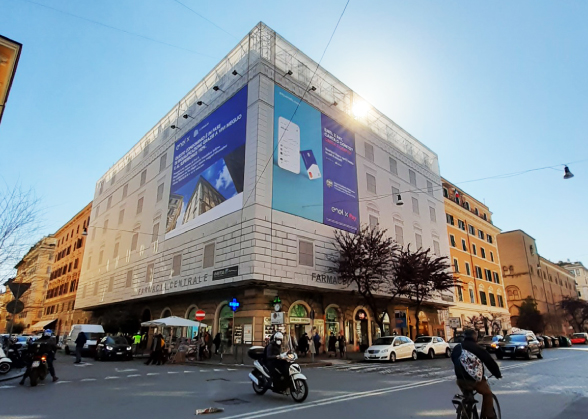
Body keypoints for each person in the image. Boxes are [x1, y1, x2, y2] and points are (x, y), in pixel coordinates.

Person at [451, 329, 502, 419]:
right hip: (473, 381)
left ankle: (465, 413)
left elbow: (454, 359)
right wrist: (497, 373)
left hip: (460, 380)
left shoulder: (457, 347)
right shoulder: (477, 348)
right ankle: (489, 415)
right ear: (475, 337)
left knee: (468, 397)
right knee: (487, 394)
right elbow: (489, 362)